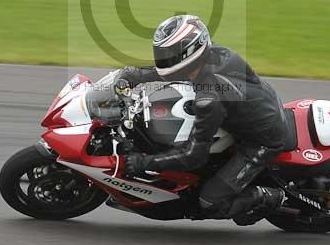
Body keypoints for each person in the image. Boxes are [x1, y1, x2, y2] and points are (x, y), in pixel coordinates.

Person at [118, 14, 292, 225]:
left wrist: (143, 163)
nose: (163, 58)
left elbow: (193, 156)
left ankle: (271, 197)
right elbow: (177, 72)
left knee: (210, 202)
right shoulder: (213, 54)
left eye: (168, 54)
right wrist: (136, 75)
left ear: (188, 53)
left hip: (263, 140)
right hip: (259, 105)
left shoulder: (209, 98)